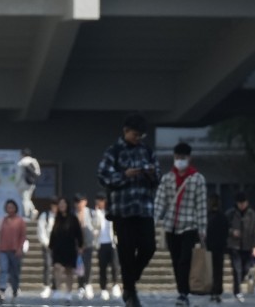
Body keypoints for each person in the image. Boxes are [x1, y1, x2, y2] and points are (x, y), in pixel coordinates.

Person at [97, 112, 159, 307]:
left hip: (144, 209)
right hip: (122, 211)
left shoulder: (147, 151)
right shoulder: (113, 151)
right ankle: (131, 293)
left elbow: (158, 177)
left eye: (141, 135)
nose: (138, 138)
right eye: (135, 134)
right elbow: (103, 176)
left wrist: (149, 173)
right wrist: (124, 175)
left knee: (149, 247)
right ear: (126, 131)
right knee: (126, 251)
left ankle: (130, 279)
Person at [153, 142, 207, 307]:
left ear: (189, 158)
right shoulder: (167, 178)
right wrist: (153, 222)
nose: (179, 161)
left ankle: (183, 293)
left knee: (185, 260)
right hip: (170, 226)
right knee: (176, 260)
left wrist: (202, 229)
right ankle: (181, 291)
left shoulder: (197, 179)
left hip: (189, 225)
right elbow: (160, 203)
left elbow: (201, 205)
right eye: (177, 158)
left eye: (182, 158)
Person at [227, 192, 255, 302]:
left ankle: (236, 286)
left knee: (245, 268)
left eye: (244, 203)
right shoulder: (231, 213)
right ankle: (238, 292)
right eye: (240, 203)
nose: (242, 205)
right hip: (234, 246)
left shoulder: (252, 214)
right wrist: (232, 232)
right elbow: (225, 228)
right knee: (237, 269)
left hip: (248, 245)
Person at [50, 196, 83, 304]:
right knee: (57, 267)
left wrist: (80, 245)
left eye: (64, 204)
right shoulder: (57, 218)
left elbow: (79, 233)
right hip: (58, 248)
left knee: (69, 270)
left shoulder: (73, 218)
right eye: (60, 204)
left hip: (70, 248)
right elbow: (53, 233)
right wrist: (51, 245)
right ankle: (58, 288)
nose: (62, 206)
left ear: (67, 205)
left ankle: (68, 293)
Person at [0, 200, 27, 304]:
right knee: (3, 269)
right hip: (3, 250)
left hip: (15, 250)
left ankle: (15, 289)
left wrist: (19, 248)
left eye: (12, 207)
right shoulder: (1, 221)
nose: (10, 209)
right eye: (8, 207)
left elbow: (23, 236)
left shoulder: (20, 221)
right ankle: (2, 290)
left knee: (14, 272)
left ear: (15, 208)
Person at [94, 193, 122, 301]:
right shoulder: (96, 213)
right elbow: (95, 225)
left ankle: (115, 285)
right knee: (102, 268)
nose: (99, 202)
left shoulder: (111, 212)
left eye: (101, 200)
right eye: (97, 200)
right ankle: (103, 289)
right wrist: (97, 213)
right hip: (101, 243)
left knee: (115, 265)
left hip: (112, 243)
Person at [207, 194, 230, 303]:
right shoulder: (223, 217)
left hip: (209, 246)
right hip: (220, 247)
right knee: (218, 270)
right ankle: (217, 291)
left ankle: (212, 291)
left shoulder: (207, 216)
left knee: (210, 270)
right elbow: (226, 232)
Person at [75, 193, 97, 300]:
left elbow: (97, 225)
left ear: (85, 202)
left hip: (88, 244)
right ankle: (80, 286)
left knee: (87, 265)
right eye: (77, 202)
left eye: (81, 201)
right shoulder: (74, 214)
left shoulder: (91, 212)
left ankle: (87, 284)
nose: (79, 204)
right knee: (79, 266)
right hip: (77, 246)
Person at [38, 198, 58, 299]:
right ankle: (46, 286)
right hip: (47, 245)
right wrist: (47, 243)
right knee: (47, 264)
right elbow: (41, 230)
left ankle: (55, 287)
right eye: (54, 205)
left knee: (57, 267)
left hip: (59, 246)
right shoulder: (44, 215)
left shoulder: (62, 217)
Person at [17, 149, 42, 220]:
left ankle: (27, 215)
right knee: (27, 198)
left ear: (22, 155)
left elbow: (18, 175)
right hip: (31, 183)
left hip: (23, 184)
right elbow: (38, 173)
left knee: (25, 199)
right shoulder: (34, 161)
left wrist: (16, 184)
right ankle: (33, 211)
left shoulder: (21, 162)